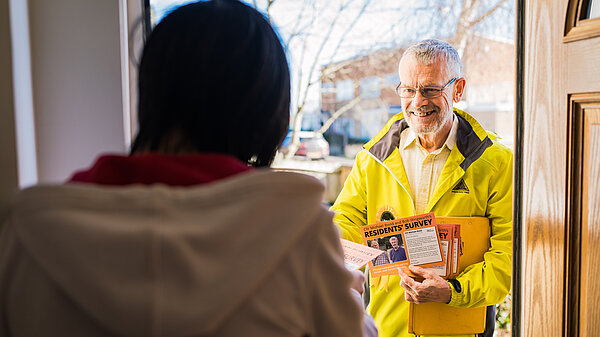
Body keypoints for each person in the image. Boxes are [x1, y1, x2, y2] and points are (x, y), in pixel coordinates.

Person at [0, 1, 376, 336]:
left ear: (151, 91)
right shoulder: (301, 237)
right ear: (267, 113)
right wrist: (349, 295)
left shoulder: (26, 232)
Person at [330, 39, 512, 337]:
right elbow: (345, 224)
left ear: (458, 89)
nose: (418, 102)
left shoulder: (495, 162)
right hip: (385, 328)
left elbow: (507, 259)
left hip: (460, 330)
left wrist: (452, 291)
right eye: (408, 89)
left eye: (430, 89)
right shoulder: (372, 159)